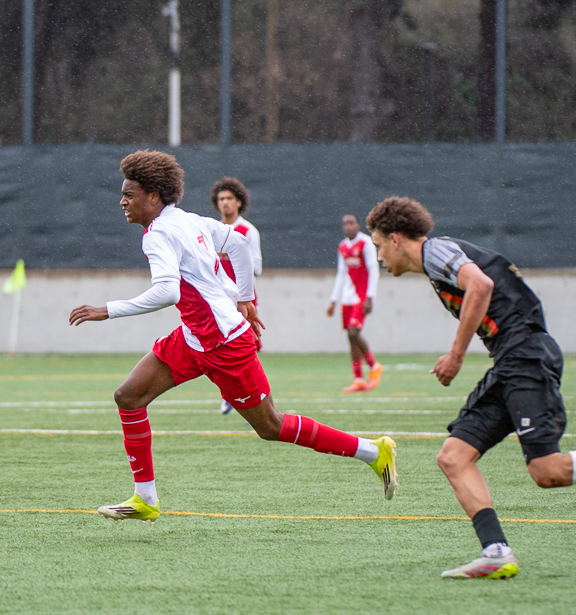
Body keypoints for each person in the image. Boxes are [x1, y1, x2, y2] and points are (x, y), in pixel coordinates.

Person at [365, 196, 576, 580]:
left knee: (548, 471)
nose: (379, 258)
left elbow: (481, 284)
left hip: (525, 357)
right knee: (453, 457)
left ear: (396, 239)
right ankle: (495, 551)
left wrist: (456, 354)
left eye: (378, 246)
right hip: (512, 361)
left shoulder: (434, 252)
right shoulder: (438, 259)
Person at [69, 150, 398, 523]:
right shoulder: (190, 220)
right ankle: (146, 499)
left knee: (270, 426)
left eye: (129, 195)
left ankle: (374, 452)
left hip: (226, 346)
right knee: (128, 397)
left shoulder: (158, 234)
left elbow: (168, 292)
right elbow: (237, 244)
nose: (122, 202)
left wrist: (107, 309)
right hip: (193, 340)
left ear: (153, 197)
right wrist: (244, 298)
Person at [210, 176, 263, 414]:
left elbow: (258, 268)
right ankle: (231, 395)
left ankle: (256, 399)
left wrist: (238, 256)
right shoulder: (212, 231)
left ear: (239, 202)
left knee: (248, 349)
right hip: (219, 302)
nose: (225, 203)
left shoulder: (247, 231)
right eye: (221, 199)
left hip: (243, 301)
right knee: (218, 349)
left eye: (230, 198)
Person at [327, 214, 383, 393]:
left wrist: (370, 296)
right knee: (351, 337)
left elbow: (373, 270)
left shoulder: (365, 243)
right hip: (347, 298)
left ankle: (374, 366)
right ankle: (358, 379)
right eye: (345, 224)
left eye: (352, 223)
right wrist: (334, 300)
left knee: (353, 331)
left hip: (361, 297)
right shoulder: (343, 246)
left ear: (358, 225)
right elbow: (341, 274)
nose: (348, 226)